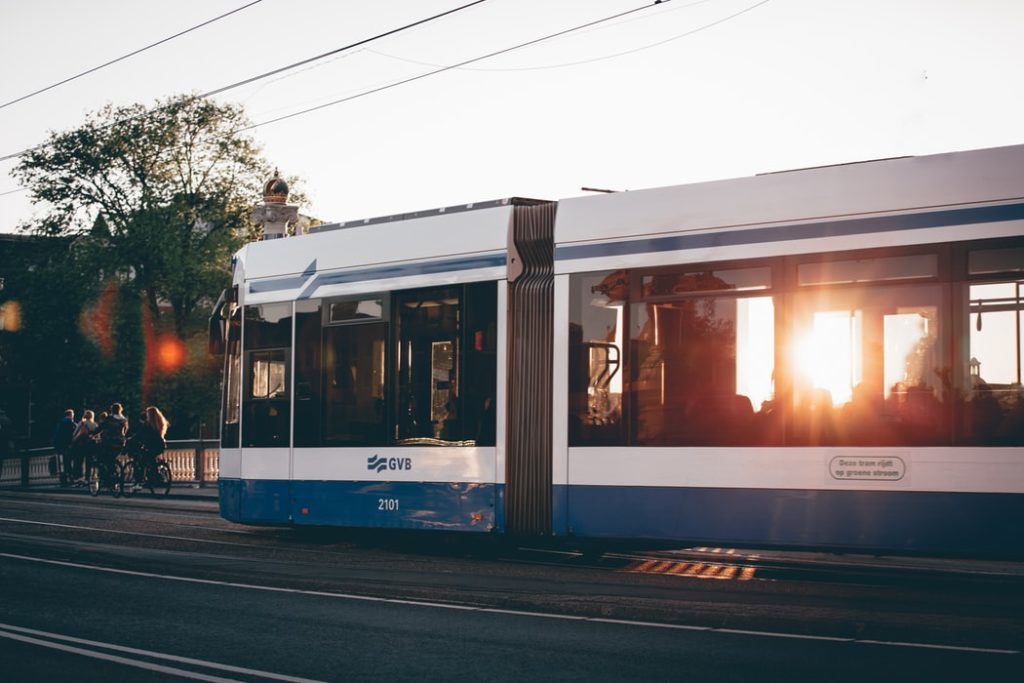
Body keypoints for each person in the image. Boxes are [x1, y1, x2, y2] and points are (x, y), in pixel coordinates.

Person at [128, 406, 169, 488]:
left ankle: (145, 479)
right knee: (151, 461)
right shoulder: (159, 424)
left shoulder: (147, 425)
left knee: (143, 460)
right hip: (160, 445)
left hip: (151, 446)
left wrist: (130, 440)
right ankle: (155, 477)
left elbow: (139, 436)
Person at [70, 409, 99, 485]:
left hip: (81, 445)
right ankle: (87, 478)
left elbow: (75, 433)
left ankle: (79, 478)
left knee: (79, 461)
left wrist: (74, 440)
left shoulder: (82, 423)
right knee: (88, 462)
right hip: (90, 445)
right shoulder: (95, 424)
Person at [52, 409, 77, 487]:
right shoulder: (69, 422)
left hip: (59, 446)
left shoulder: (60, 422)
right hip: (67, 446)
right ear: (70, 415)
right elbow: (69, 434)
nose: (73, 416)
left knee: (62, 463)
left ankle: (63, 480)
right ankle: (70, 479)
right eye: (73, 414)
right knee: (68, 462)